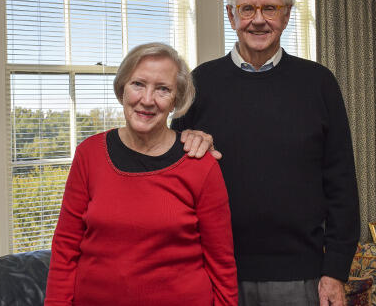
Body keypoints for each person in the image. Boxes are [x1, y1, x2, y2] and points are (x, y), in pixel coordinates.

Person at [172, 0, 359, 306]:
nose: (258, 20)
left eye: (270, 8)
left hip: (300, 276)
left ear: (286, 16)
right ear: (231, 15)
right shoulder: (199, 83)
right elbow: (171, 177)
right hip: (214, 270)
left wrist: (335, 271)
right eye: (247, 9)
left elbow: (342, 184)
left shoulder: (319, 83)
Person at [45, 42, 237, 306]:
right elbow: (65, 248)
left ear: (176, 100)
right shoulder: (89, 154)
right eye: (138, 84)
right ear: (122, 89)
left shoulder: (200, 163)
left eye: (163, 89)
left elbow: (221, 264)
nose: (147, 100)